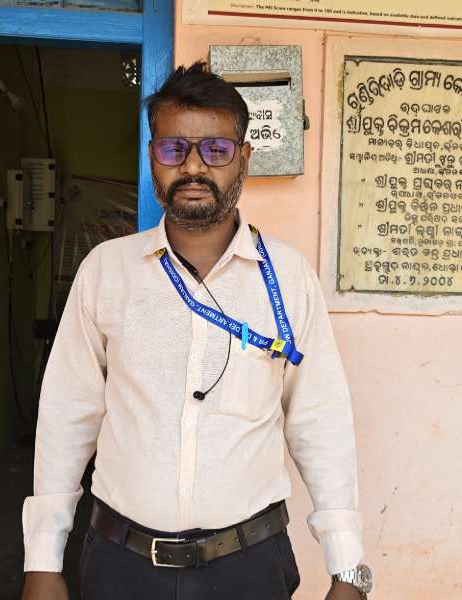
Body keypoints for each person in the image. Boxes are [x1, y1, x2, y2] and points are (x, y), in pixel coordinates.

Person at [21, 62, 372, 600]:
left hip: (251, 568)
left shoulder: (288, 276)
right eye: (173, 149)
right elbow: (67, 415)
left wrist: (347, 567)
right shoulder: (106, 271)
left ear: (244, 159)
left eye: (215, 150)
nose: (192, 166)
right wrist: (43, 562)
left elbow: (320, 421)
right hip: (120, 565)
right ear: (152, 158)